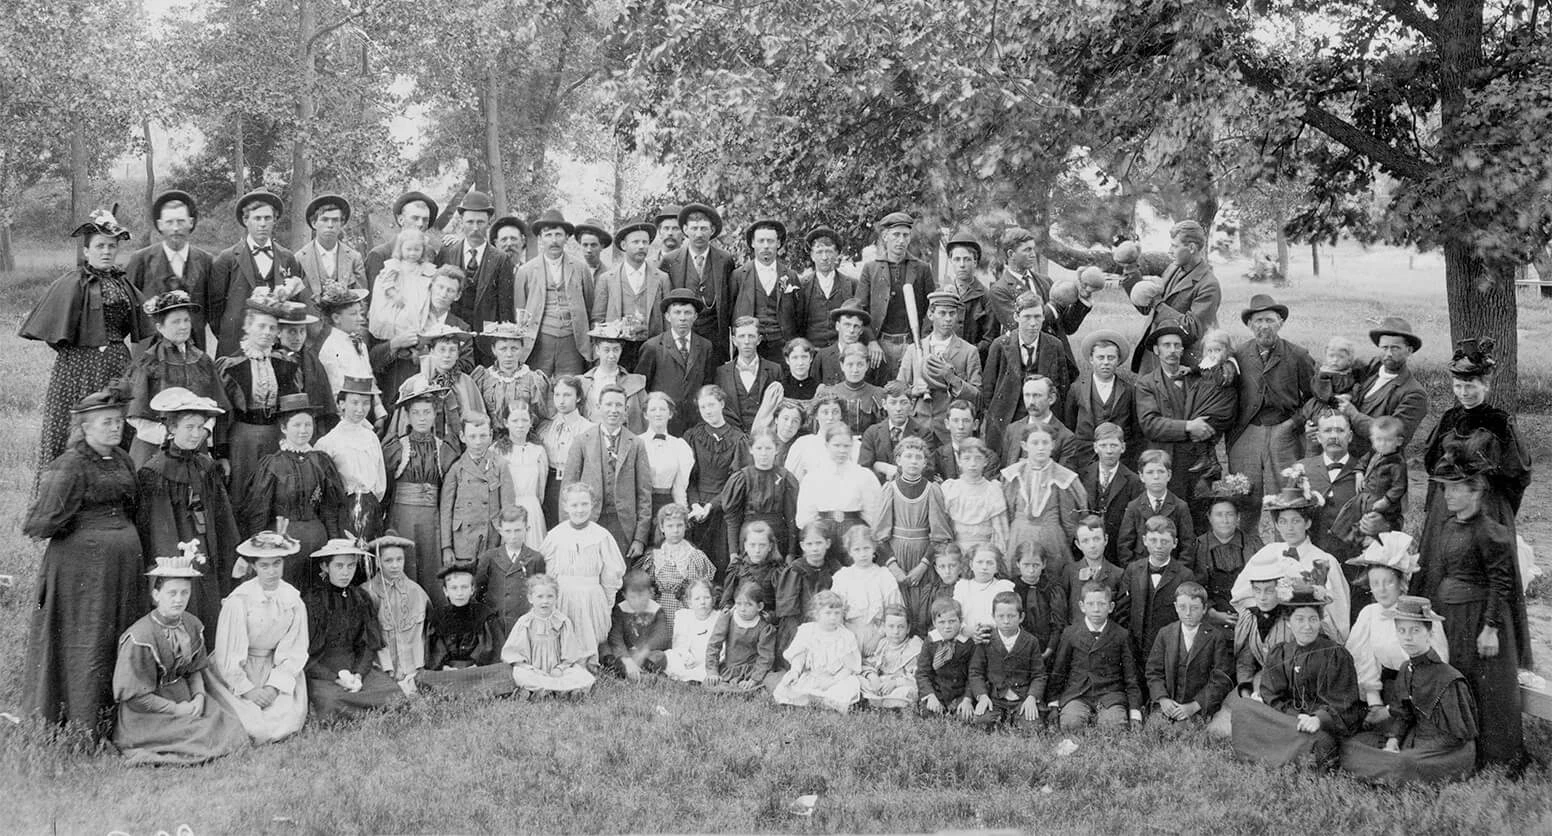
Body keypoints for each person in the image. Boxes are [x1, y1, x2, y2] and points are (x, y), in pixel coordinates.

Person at [21, 387, 145, 738]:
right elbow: (43, 522)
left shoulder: (122, 459)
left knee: (115, 632)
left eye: (119, 421)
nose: (114, 428)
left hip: (121, 565)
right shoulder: (70, 464)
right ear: (86, 427)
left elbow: (134, 505)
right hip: (82, 568)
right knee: (86, 635)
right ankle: (79, 719)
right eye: (106, 422)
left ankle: (114, 716)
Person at [1416, 452, 1528, 769]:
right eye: (1444, 489)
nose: (1447, 495)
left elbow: (1500, 583)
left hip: (1481, 618)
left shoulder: (1491, 532)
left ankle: (1498, 755)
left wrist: (1491, 628)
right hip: (1452, 616)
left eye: (1454, 489)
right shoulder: (1450, 525)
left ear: (1475, 491)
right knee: (1458, 676)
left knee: (1487, 685)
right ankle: (1461, 749)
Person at [20, 208, 150, 472]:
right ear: (87, 251)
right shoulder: (71, 283)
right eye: (100, 246)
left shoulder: (123, 284)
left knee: (114, 429)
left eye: (111, 246)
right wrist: (81, 354)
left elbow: (137, 323)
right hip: (77, 368)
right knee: (71, 432)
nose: (106, 251)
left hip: (116, 365)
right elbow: (55, 333)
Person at [111, 549, 249, 765]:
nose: (178, 600)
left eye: (184, 593)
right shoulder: (140, 637)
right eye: (171, 593)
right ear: (156, 596)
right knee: (201, 735)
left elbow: (195, 671)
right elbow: (136, 698)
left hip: (183, 696)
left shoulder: (192, 624)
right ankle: (152, 748)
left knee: (230, 725)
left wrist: (199, 698)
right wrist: (177, 709)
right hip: (148, 711)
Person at [1340, 596, 1480, 784]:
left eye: (1415, 630)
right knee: (1352, 745)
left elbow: (1456, 737)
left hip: (1447, 751)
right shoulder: (1407, 668)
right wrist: (1394, 741)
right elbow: (1403, 714)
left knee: (1404, 762)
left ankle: (1393, 769)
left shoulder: (1449, 678)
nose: (1408, 637)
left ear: (1429, 633)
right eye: (1402, 631)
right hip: (1415, 740)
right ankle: (1391, 766)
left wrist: (1417, 752)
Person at [135, 388, 241, 627]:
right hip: (177, 550)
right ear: (172, 429)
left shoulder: (206, 466)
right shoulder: (155, 472)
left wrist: (232, 551)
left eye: (201, 427)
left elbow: (223, 517)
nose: (196, 434)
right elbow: (158, 528)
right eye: (189, 427)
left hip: (207, 547)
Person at [1230, 583, 1364, 771]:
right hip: (1289, 720)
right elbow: (1272, 696)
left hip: (1320, 726)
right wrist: (1294, 716)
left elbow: (1345, 704)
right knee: (1243, 707)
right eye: (1299, 619)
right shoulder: (1281, 652)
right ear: (1288, 622)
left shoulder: (1336, 654)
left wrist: (1318, 719)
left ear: (1320, 620)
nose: (1307, 626)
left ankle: (1282, 753)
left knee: (1321, 742)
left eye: (1313, 619)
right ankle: (1289, 752)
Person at [211, 528, 309, 744]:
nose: (272, 572)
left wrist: (273, 687)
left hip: (274, 666)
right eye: (264, 566)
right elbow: (229, 654)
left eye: (277, 564)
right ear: (254, 566)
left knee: (285, 723)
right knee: (251, 725)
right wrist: (249, 690)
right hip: (241, 668)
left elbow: (294, 647)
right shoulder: (240, 601)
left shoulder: (292, 600)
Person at [1228, 294, 1316, 535]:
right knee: (1246, 499)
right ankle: (1246, 555)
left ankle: (1286, 554)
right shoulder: (1239, 354)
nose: (1263, 326)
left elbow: (1314, 397)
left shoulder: (1298, 354)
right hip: (1248, 431)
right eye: (1257, 321)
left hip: (1284, 432)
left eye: (1269, 320)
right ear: (1249, 325)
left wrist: (1294, 423)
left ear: (1280, 323)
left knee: (1286, 498)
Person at [215, 287, 304, 514]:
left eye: (272, 328)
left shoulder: (285, 364)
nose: (267, 333)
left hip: (274, 436)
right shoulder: (231, 365)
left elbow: (292, 408)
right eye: (261, 326)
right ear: (247, 327)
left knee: (275, 492)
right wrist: (222, 454)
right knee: (243, 493)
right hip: (242, 440)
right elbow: (222, 415)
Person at [244, 394, 345, 594]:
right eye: (296, 425)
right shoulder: (272, 464)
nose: (303, 430)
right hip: (282, 542)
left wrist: (334, 543)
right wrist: (256, 550)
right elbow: (259, 511)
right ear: (283, 428)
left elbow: (330, 508)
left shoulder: (322, 461)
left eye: (308, 425)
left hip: (317, 541)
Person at [302, 539, 409, 721]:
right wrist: (336, 678)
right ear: (325, 566)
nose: (345, 572)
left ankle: (361, 707)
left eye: (351, 566)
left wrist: (359, 674)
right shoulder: (312, 600)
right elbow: (306, 655)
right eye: (339, 566)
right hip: (322, 669)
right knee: (332, 701)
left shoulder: (360, 597)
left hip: (355, 665)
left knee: (395, 695)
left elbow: (367, 645)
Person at [1344, 533, 1447, 720]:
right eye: (1375, 583)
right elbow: (1363, 659)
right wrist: (1375, 702)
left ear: (1401, 583)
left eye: (1388, 582)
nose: (1382, 589)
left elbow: (1437, 665)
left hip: (1420, 696)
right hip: (1385, 692)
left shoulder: (1418, 612)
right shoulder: (1369, 614)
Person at [123, 290, 231, 465]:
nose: (183, 326)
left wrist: (203, 431)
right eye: (176, 321)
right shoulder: (148, 362)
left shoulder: (202, 360)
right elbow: (135, 414)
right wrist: (169, 437)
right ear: (160, 327)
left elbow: (216, 405)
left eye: (186, 320)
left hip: (195, 443)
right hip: (155, 449)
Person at [1134, 323, 1235, 510]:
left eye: (1177, 345)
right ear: (1156, 350)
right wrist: (1188, 426)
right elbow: (1150, 424)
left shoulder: (1201, 376)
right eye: (1166, 345)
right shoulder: (1147, 384)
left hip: (1199, 463)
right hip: (1166, 461)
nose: (1172, 350)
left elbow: (1222, 403)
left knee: (1200, 515)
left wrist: (1210, 428)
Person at [1233, 482, 1352, 638]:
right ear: (1276, 525)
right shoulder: (1267, 553)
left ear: (1308, 523)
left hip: (1311, 632)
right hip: (1270, 630)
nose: (1289, 528)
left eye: (1296, 521)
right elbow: (1240, 595)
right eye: (1283, 522)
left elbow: (1339, 614)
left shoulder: (1324, 560)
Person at [209, 190, 308, 358]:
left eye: (267, 218)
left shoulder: (288, 258)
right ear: (246, 220)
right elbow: (214, 309)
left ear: (275, 220)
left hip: (275, 345)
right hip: (235, 344)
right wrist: (231, 332)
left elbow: (293, 305)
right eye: (257, 218)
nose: (262, 224)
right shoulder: (227, 259)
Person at [381, 382, 459, 588]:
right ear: (407, 416)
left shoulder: (444, 449)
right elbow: (385, 487)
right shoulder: (397, 447)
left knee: (430, 570)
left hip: (431, 520)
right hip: (402, 518)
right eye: (416, 413)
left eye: (427, 412)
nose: (422, 418)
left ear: (435, 415)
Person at [564, 384, 654, 563]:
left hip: (623, 526)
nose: (613, 410)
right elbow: (568, 487)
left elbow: (644, 494)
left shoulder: (636, 444)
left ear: (626, 410)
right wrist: (568, 529)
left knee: (619, 576)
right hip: (588, 520)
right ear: (598, 407)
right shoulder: (582, 441)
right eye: (608, 405)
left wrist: (639, 538)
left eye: (619, 405)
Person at [979, 293, 1076, 456]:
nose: (1033, 323)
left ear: (1044, 317)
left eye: (1038, 317)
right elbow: (988, 389)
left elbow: (1062, 388)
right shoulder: (1000, 345)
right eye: (1027, 317)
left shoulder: (1054, 345)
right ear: (1016, 317)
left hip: (1042, 416)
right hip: (1007, 417)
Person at [542, 482, 628, 661]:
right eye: (574, 505)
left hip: (591, 596)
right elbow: (546, 571)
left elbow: (612, 573)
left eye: (584, 504)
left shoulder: (601, 536)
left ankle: (589, 661)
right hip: (563, 596)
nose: (579, 510)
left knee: (588, 640)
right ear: (565, 506)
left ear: (592, 505)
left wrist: (606, 601)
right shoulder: (556, 536)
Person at [1047, 582, 1143, 731]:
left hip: (1110, 694)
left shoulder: (1121, 634)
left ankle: (1106, 719)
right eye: (1090, 604)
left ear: (1111, 607)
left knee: (1113, 725)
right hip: (1078, 693)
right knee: (1071, 723)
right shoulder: (1070, 633)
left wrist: (1135, 712)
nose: (1096, 609)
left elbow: (1131, 677)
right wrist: (1053, 703)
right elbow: (1059, 671)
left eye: (1101, 604)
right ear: (1082, 606)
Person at [124, 190, 213, 351]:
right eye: (170, 222)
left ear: (191, 222)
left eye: (180, 221)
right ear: (160, 225)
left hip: (194, 349)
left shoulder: (206, 260)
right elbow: (129, 305)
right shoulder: (140, 260)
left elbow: (210, 308)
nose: (176, 228)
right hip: (150, 350)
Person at [513, 209, 597, 377]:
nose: (554, 241)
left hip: (572, 341)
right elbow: (520, 312)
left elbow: (589, 307)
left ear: (566, 238)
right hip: (540, 340)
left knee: (571, 387)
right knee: (537, 387)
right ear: (540, 239)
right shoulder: (526, 271)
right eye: (548, 235)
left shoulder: (580, 269)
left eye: (558, 235)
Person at [1144, 582, 1234, 731]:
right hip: (1168, 703)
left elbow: (1220, 680)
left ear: (1204, 609)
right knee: (1153, 729)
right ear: (1175, 607)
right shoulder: (1165, 633)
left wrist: (1194, 706)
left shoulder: (1215, 637)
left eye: (1195, 608)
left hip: (1195, 706)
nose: (1188, 613)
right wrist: (1163, 699)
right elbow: (1153, 671)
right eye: (1182, 607)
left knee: (1180, 733)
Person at [856, 211, 934, 381]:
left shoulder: (922, 269)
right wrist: (871, 341)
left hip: (911, 342)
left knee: (911, 390)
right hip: (880, 344)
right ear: (885, 236)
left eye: (905, 235)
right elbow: (860, 310)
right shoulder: (871, 269)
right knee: (883, 391)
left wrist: (921, 341)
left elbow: (931, 308)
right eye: (896, 235)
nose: (901, 240)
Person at [436, 191, 513, 360]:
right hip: (451, 339)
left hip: (485, 342)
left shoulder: (501, 259)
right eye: (470, 222)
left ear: (489, 223)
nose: (475, 228)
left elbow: (505, 310)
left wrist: (501, 345)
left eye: (481, 222)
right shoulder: (447, 252)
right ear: (461, 221)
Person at [418, 562, 515, 697]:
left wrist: (475, 666)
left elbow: (490, 650)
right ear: (445, 591)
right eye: (454, 588)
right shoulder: (437, 616)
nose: (459, 593)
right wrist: (445, 667)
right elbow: (435, 653)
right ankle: (471, 690)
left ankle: (454, 691)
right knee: (423, 677)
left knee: (504, 670)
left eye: (464, 587)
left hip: (477, 670)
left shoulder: (484, 613)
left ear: (472, 589)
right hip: (447, 671)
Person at [683, 385, 751, 575]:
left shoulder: (738, 439)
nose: (708, 411)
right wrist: (695, 504)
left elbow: (737, 482)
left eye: (711, 405)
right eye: (703, 407)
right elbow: (689, 478)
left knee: (721, 563)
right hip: (696, 509)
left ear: (721, 404)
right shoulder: (692, 436)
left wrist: (712, 505)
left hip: (725, 508)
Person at [896, 289, 982, 440]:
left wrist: (952, 379)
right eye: (942, 313)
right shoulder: (914, 350)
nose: (948, 319)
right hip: (918, 427)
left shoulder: (969, 351)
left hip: (951, 431)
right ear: (931, 315)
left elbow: (978, 397)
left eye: (952, 313)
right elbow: (897, 391)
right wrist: (913, 391)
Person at [1338, 316, 1430, 457]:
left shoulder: (1414, 394)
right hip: (1343, 453)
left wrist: (1353, 414)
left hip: (1378, 465)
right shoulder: (1373, 370)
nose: (1388, 354)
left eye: (1395, 348)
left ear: (1409, 350)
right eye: (1384, 347)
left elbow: (1393, 436)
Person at [875, 436, 953, 602]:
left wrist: (923, 566)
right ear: (898, 460)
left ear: (925, 463)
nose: (913, 461)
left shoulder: (932, 490)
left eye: (919, 457)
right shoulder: (890, 489)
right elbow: (880, 536)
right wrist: (894, 568)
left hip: (923, 555)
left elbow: (940, 536)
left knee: (922, 604)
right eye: (908, 456)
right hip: (895, 555)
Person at [1002, 425, 1087, 575]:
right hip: (1018, 536)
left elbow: (1069, 522)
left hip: (1051, 538)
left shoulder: (1063, 477)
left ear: (1053, 445)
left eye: (1045, 443)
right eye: (1035, 443)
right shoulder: (1013, 474)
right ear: (1024, 445)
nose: (1040, 448)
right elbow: (1008, 511)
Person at [660, 203, 737, 366]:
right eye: (694, 228)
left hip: (715, 338)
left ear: (712, 230)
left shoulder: (725, 260)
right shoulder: (670, 261)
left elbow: (729, 301)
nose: (699, 234)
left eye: (703, 228)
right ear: (685, 230)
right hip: (682, 335)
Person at [1115, 219, 1221, 336]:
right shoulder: (1173, 268)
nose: (1169, 251)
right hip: (1159, 348)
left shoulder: (1209, 285)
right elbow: (1148, 308)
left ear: (1191, 248)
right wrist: (1131, 269)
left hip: (1181, 351)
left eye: (1174, 246)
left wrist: (1157, 304)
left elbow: (1194, 328)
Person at [795, 422, 882, 563]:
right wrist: (817, 537)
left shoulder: (863, 476)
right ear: (827, 445)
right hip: (823, 534)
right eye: (836, 445)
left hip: (854, 533)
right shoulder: (813, 477)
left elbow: (873, 514)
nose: (842, 451)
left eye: (846, 446)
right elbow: (805, 517)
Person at [440, 415, 517, 573]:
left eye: (483, 436)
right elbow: (446, 510)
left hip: (491, 537)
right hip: (463, 540)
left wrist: (506, 540)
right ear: (462, 437)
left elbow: (508, 509)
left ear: (490, 436)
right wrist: (446, 546)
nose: (477, 442)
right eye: (472, 436)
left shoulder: (500, 466)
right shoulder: (456, 468)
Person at [1117, 516, 1196, 667]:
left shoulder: (1185, 575)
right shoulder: (1133, 570)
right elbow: (1122, 611)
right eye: (1153, 540)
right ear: (1145, 540)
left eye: (1164, 541)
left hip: (1169, 650)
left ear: (1175, 543)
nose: (1158, 546)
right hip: (1136, 649)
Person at [501, 574, 597, 698]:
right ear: (530, 598)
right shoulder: (525, 622)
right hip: (533, 670)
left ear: (556, 598)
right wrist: (529, 668)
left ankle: (551, 690)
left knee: (581, 675)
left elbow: (570, 652)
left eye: (550, 596)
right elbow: (515, 652)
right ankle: (551, 691)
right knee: (520, 674)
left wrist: (560, 668)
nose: (545, 601)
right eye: (540, 597)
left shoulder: (562, 621)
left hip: (556, 671)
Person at [316, 376, 388, 541]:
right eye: (354, 402)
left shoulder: (371, 438)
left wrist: (371, 503)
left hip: (371, 506)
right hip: (344, 508)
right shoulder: (328, 442)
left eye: (365, 403)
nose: (360, 409)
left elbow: (380, 479)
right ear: (342, 404)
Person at [714, 428, 799, 565]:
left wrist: (790, 552)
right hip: (750, 540)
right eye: (759, 448)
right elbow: (733, 519)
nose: (764, 453)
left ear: (776, 449)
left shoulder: (785, 477)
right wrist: (733, 552)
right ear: (751, 450)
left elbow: (791, 518)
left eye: (768, 448)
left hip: (777, 539)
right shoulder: (742, 478)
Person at [636, 289, 715, 435]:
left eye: (687, 313)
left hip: (695, 422)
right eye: (677, 312)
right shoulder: (652, 347)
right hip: (664, 422)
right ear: (667, 316)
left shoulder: (705, 346)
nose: (682, 318)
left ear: (696, 316)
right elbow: (642, 389)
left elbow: (707, 385)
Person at [388, 323, 486, 440]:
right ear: (431, 351)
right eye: (442, 350)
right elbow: (403, 424)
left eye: (452, 350)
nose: (447, 355)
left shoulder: (466, 383)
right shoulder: (416, 383)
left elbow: (479, 420)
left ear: (458, 354)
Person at [771, 590, 863, 713]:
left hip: (836, 678)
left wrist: (832, 681)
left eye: (837, 613)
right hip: (813, 675)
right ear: (816, 614)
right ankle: (808, 699)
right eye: (828, 613)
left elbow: (849, 667)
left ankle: (827, 703)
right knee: (789, 685)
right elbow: (799, 656)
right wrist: (795, 671)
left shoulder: (845, 636)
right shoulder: (808, 631)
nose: (833, 617)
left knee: (848, 686)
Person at [357, 533, 428, 687]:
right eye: (388, 560)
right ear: (378, 562)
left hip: (413, 667)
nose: (395, 565)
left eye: (399, 559)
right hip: (382, 667)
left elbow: (427, 632)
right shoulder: (366, 592)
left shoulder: (416, 591)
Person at [967, 591, 1047, 728]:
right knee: (981, 722)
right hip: (996, 698)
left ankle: (1017, 717)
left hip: (1022, 698)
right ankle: (1003, 718)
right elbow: (975, 672)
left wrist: (1032, 697)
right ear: (993, 617)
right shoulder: (986, 640)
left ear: (1021, 617)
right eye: (1001, 616)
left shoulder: (1031, 641)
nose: (1006, 621)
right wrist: (982, 696)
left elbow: (1039, 675)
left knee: (1032, 727)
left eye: (1011, 616)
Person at [1065, 331, 1141, 472]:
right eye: (1101, 357)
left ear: (1118, 361)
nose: (1105, 362)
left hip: (1119, 460)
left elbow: (1136, 430)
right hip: (1084, 458)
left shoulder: (1129, 390)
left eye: (1111, 358)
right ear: (1091, 359)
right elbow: (1069, 424)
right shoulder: (1077, 388)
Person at [593, 217, 670, 354]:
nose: (641, 246)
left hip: (652, 348)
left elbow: (668, 319)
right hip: (617, 350)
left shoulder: (662, 278)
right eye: (635, 242)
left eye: (645, 242)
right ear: (623, 245)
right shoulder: (607, 279)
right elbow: (598, 319)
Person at [730, 218, 802, 363]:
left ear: (779, 244)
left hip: (782, 347)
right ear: (752, 243)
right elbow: (729, 313)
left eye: (770, 241)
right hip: (750, 346)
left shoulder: (790, 276)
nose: (766, 246)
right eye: (761, 241)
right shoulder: (738, 276)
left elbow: (799, 315)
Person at [1189, 486, 1262, 626]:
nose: (1225, 520)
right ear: (1209, 518)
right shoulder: (1199, 546)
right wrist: (1211, 612)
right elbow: (1194, 586)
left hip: (1251, 614)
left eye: (1230, 514)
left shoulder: (1253, 544)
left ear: (1238, 517)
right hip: (1212, 616)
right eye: (1219, 514)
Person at [314, 283, 385, 425]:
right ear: (336, 318)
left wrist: (379, 411)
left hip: (365, 411)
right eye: (353, 314)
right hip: (346, 418)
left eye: (361, 313)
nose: (360, 318)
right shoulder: (330, 348)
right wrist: (362, 423)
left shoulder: (360, 344)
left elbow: (369, 378)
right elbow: (337, 391)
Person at [829, 526, 904, 655]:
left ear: (874, 549)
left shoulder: (884, 576)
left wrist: (877, 638)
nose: (862, 554)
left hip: (878, 634)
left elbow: (895, 611)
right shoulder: (842, 577)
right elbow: (835, 613)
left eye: (866, 548)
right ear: (849, 551)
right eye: (857, 550)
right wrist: (848, 640)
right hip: (848, 634)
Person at [471, 321, 553, 435]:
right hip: (490, 439)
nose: (509, 354)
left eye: (514, 348)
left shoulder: (533, 379)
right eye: (503, 349)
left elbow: (543, 418)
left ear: (522, 349)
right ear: (494, 350)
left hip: (525, 438)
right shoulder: (482, 378)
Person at [772, 521, 840, 659]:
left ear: (827, 543)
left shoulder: (834, 568)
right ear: (802, 546)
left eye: (818, 543)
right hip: (799, 624)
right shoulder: (796, 570)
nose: (814, 549)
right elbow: (788, 610)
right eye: (809, 544)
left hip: (829, 622)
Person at [475, 509, 547, 634]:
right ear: (500, 531)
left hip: (524, 625)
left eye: (518, 530)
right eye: (508, 531)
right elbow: (479, 591)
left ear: (527, 529)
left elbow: (539, 593)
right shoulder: (489, 557)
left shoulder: (536, 558)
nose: (513, 536)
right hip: (496, 626)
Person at [1079, 423, 1143, 563]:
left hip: (1117, 551)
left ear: (1123, 447)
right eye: (1103, 445)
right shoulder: (1083, 475)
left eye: (1114, 445)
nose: (1109, 451)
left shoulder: (1134, 481)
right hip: (1088, 549)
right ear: (1095, 447)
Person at [273, 300, 338, 436]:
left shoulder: (311, 359)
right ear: (279, 332)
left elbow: (326, 401)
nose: (298, 337)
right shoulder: (271, 359)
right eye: (292, 332)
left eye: (302, 331)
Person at [644, 503, 715, 627]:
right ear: (662, 527)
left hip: (684, 610)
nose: (675, 530)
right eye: (670, 526)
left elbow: (699, 588)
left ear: (686, 526)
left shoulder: (694, 556)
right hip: (659, 611)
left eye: (679, 525)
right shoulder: (655, 556)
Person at [1117, 450, 1193, 563]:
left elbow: (1187, 546)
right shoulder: (1134, 507)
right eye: (1150, 472)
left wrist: (1178, 573)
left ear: (1169, 475)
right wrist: (1134, 573)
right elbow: (1124, 546)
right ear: (1141, 476)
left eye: (1161, 472)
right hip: (1141, 572)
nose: (1156, 477)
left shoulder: (1180, 507)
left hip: (1171, 571)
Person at [704, 583, 778, 694]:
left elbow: (765, 657)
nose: (742, 609)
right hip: (730, 668)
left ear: (759, 607)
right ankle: (737, 688)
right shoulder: (728, 617)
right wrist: (712, 671)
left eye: (748, 605)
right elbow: (714, 644)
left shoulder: (764, 627)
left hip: (752, 669)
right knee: (710, 683)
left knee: (772, 682)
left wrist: (754, 679)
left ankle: (749, 687)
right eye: (738, 604)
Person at [294, 194, 366, 307]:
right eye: (324, 220)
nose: (330, 225)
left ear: (342, 223)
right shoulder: (300, 258)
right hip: (312, 322)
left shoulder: (354, 258)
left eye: (335, 220)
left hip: (342, 322)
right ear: (314, 223)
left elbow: (362, 300)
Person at [638, 391, 694, 534]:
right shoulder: (636, 442)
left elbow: (680, 487)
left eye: (663, 409)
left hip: (667, 504)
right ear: (645, 414)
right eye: (653, 409)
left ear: (670, 414)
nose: (658, 413)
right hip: (641, 505)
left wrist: (683, 513)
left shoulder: (679, 446)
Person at [940, 437, 1007, 556]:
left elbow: (1000, 533)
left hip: (985, 553)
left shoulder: (993, 490)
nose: (973, 464)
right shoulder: (950, 489)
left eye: (978, 458)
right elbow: (943, 527)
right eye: (967, 458)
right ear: (959, 460)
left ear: (986, 461)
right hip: (956, 553)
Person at [792, 226, 857, 349]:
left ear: (837, 254)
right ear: (812, 255)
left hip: (842, 352)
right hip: (811, 352)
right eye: (819, 252)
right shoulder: (801, 286)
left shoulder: (852, 284)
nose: (824, 257)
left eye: (829, 251)